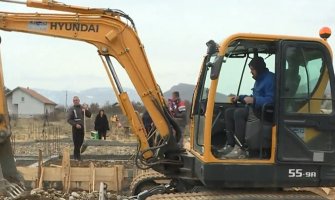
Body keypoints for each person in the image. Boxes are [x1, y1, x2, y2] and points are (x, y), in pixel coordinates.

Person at [219, 56, 275, 159]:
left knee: (238, 113)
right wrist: (240, 97)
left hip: (265, 112)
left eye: (252, 69)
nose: (251, 72)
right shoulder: (259, 79)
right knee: (229, 112)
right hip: (255, 108)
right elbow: (253, 96)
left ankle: (240, 149)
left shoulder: (270, 80)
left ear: (259, 68)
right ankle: (230, 145)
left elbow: (272, 100)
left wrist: (255, 100)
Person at [67, 96, 91, 161]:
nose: (75, 101)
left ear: (79, 100)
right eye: (74, 100)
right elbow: (69, 120)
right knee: (76, 143)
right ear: (73, 101)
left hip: (82, 128)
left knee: (80, 142)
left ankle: (77, 156)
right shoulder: (71, 109)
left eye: (76, 100)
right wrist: (75, 124)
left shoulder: (82, 108)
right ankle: (76, 157)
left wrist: (86, 110)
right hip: (75, 128)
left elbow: (89, 115)